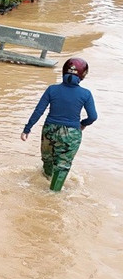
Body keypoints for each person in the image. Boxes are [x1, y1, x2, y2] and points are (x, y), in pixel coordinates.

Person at [20, 58, 97, 192]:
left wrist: (27, 129)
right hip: (71, 132)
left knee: (48, 160)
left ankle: (46, 180)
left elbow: (39, 110)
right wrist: (83, 124)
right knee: (63, 166)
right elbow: (93, 117)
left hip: (49, 129)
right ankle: (53, 194)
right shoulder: (86, 94)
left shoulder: (52, 89)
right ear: (82, 75)